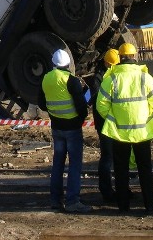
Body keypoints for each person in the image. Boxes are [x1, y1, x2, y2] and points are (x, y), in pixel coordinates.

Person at [96, 42, 153, 214]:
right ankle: (150, 206)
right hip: (142, 131)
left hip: (120, 133)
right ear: (134, 57)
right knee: (145, 170)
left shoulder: (111, 79)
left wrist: (114, 119)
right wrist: (147, 117)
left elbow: (101, 106)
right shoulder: (144, 77)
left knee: (121, 170)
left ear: (120, 57)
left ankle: (123, 206)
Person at [39, 49, 90, 213]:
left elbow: (41, 103)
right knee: (75, 165)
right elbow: (82, 107)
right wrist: (80, 119)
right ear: (68, 64)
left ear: (53, 63)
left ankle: (55, 200)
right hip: (73, 128)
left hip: (57, 127)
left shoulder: (45, 79)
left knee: (58, 164)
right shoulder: (71, 81)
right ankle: (72, 201)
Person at [90, 48, 120, 202]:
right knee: (108, 157)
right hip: (105, 123)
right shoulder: (98, 78)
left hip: (113, 122)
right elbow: (98, 102)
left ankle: (119, 188)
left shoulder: (104, 76)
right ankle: (106, 190)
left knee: (115, 156)